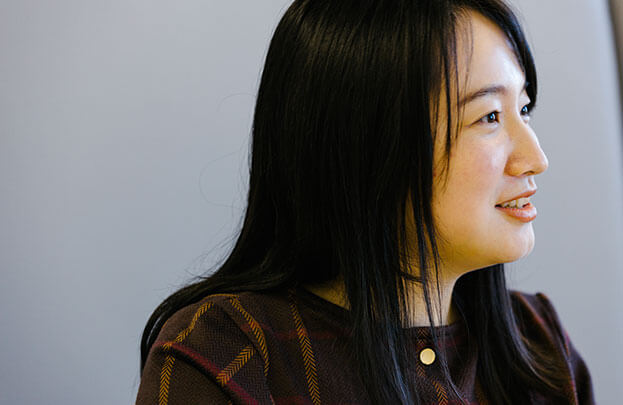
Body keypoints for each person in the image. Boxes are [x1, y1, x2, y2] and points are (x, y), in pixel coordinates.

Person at [136, 0, 596, 403]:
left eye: (524, 109)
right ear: (369, 143)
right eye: (489, 117)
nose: (536, 159)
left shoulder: (539, 340)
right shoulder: (227, 356)